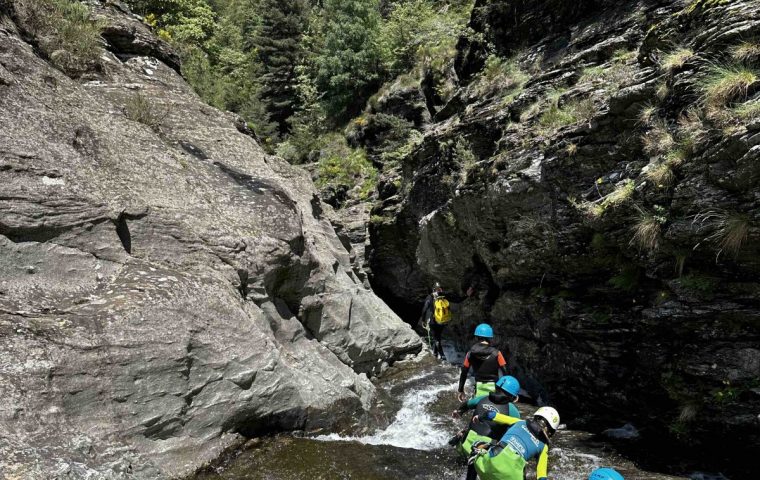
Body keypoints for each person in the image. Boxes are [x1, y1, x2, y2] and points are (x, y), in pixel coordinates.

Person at [450, 376, 522, 480]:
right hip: (483, 450)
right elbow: (515, 433)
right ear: (513, 397)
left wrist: (459, 412)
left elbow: (466, 404)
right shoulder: (513, 411)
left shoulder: (483, 398)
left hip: (466, 443)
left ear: (496, 388)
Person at [469, 406, 560, 480]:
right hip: (513, 476)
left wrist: (479, 417)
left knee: (477, 445)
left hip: (492, 460)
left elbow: (491, 415)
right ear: (551, 431)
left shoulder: (519, 422)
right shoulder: (544, 446)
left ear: (536, 416)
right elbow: (541, 476)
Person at [458, 323, 507, 401]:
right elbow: (505, 373)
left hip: (479, 388)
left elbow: (464, 372)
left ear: (476, 337)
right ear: (490, 338)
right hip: (494, 389)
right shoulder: (497, 353)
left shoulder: (470, 353)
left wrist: (460, 390)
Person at [419, 282, 450, 360]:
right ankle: (435, 354)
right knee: (438, 337)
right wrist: (466, 296)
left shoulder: (430, 297)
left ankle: (443, 356)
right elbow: (455, 300)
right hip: (442, 321)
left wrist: (423, 320)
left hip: (433, 321)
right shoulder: (443, 296)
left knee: (436, 339)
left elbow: (424, 309)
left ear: (433, 289)